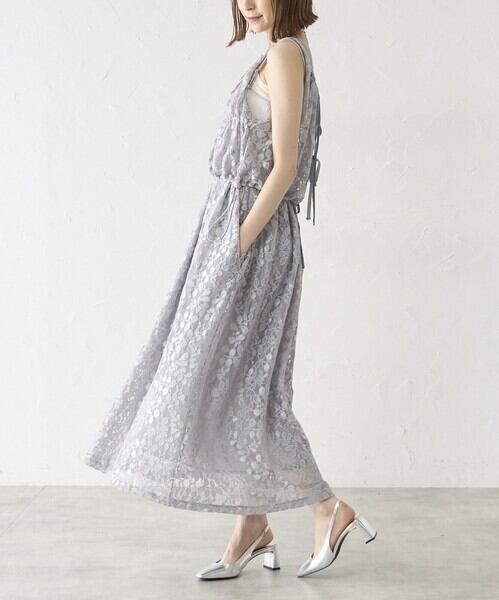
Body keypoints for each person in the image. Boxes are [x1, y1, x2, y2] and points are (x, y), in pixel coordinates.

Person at [83, 0, 377, 579]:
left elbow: (284, 168)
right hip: (240, 234)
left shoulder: (286, 54)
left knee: (247, 390)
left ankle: (327, 509)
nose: (247, 3)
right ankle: (253, 525)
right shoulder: (283, 53)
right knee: (239, 384)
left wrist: (236, 245)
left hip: (252, 240)